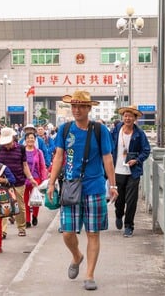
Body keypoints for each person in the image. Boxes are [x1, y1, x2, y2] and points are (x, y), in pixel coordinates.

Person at [46, 90, 118, 291]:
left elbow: (108, 158)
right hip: (70, 188)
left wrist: (112, 185)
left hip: (94, 188)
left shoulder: (99, 130)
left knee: (93, 233)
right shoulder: (65, 129)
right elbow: (59, 156)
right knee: (67, 232)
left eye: (81, 106)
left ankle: (89, 274)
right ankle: (77, 255)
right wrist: (51, 183)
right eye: (73, 106)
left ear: (89, 108)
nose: (76, 110)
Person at [110, 105, 151, 238]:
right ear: (123, 117)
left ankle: (129, 226)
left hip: (133, 172)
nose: (127, 118)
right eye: (126, 115)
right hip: (117, 170)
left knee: (132, 200)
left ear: (135, 118)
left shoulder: (139, 134)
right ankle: (118, 214)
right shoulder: (116, 130)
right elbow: (108, 146)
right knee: (119, 199)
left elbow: (146, 150)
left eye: (130, 116)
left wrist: (137, 160)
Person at [0, 127, 38, 238]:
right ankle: (3, 231)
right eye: (5, 143)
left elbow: (25, 165)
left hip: (19, 181)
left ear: (13, 138)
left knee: (20, 206)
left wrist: (30, 178)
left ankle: (21, 227)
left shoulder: (21, 148)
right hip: (3, 182)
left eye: (8, 142)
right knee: (4, 206)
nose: (7, 145)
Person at [23, 132, 47, 228]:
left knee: (35, 199)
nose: (30, 140)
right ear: (25, 140)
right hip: (24, 178)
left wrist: (44, 179)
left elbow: (42, 166)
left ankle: (35, 216)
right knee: (25, 201)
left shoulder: (38, 152)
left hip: (36, 178)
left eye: (32, 138)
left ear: (35, 140)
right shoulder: (22, 151)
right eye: (28, 138)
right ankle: (27, 220)